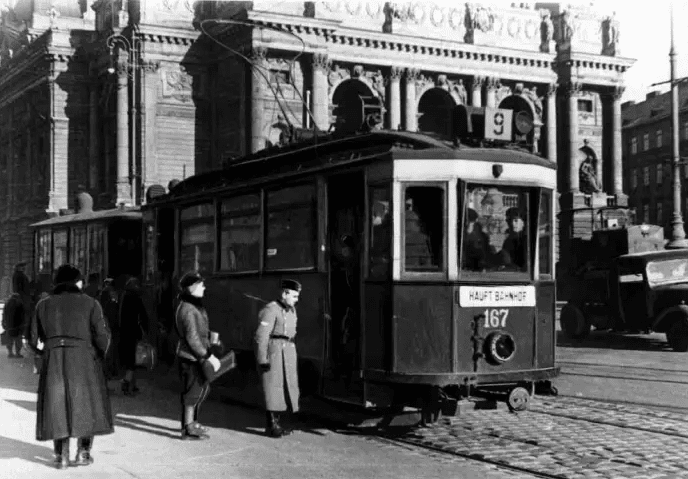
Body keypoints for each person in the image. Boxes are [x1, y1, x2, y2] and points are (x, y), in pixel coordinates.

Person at [26, 264, 113, 469]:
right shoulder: (91, 303)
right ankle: (83, 452)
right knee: (86, 404)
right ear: (77, 282)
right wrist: (99, 354)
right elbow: (102, 336)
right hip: (84, 358)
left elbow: (32, 339)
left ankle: (61, 456)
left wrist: (44, 353)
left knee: (57, 405)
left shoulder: (43, 305)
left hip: (54, 358)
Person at [175, 272, 220, 440]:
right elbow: (192, 339)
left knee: (199, 389)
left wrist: (210, 337)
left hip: (194, 355)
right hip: (191, 357)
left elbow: (197, 333)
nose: (204, 288)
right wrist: (209, 356)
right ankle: (188, 428)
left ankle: (192, 423)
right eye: (201, 285)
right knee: (192, 393)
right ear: (191, 288)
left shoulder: (192, 306)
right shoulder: (188, 309)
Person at [255, 279, 302, 438]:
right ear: (284, 293)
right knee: (272, 388)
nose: (296, 300)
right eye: (294, 296)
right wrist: (262, 358)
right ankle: (271, 425)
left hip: (288, 351)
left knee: (286, 389)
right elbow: (261, 336)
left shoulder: (291, 310)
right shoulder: (271, 309)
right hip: (275, 351)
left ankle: (279, 422)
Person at [117, 276, 149, 395]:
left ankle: (132, 384)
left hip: (124, 332)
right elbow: (143, 316)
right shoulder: (136, 298)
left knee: (130, 359)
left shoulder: (123, 296)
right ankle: (126, 384)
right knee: (132, 360)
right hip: (133, 332)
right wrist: (145, 330)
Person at [99, 278, 120, 380]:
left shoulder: (103, 293)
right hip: (111, 325)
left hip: (106, 323)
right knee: (111, 349)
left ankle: (108, 370)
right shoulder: (111, 295)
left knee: (108, 349)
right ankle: (110, 370)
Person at [2, 292, 25, 358]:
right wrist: (23, 324)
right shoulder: (20, 303)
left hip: (9, 325)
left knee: (9, 340)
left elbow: (4, 314)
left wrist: (3, 323)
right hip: (18, 325)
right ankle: (18, 353)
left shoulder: (7, 303)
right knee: (18, 340)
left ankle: (10, 353)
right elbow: (22, 315)